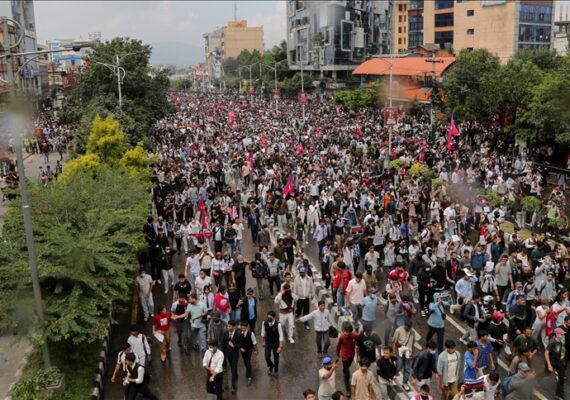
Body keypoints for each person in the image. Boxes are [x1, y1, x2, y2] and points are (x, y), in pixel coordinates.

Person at [336, 322, 360, 396]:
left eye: (349, 332)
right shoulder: (342, 337)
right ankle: (348, 390)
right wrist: (338, 354)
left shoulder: (355, 335)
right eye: (346, 332)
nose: (347, 333)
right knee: (347, 374)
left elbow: (360, 341)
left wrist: (358, 355)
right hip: (344, 357)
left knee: (346, 368)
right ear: (343, 330)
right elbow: (338, 346)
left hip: (351, 356)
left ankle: (345, 370)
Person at [392, 320, 415, 391]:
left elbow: (412, 343)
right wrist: (394, 353)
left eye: (409, 328)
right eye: (407, 327)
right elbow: (394, 342)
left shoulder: (412, 332)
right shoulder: (398, 330)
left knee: (407, 368)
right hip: (400, 352)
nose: (408, 329)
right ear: (404, 325)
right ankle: (392, 375)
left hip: (408, 353)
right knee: (399, 365)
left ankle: (405, 383)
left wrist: (412, 353)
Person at [260, 310, 285, 377]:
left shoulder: (278, 324)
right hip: (268, 342)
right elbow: (263, 332)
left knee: (276, 357)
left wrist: (280, 346)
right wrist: (263, 341)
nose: (268, 319)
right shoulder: (264, 323)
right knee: (267, 357)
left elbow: (281, 335)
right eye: (268, 317)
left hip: (275, 343)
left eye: (270, 318)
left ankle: (276, 370)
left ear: (274, 317)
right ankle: (271, 365)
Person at [545, 327, 567, 400]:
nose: (563, 335)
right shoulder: (552, 342)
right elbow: (546, 353)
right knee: (545, 373)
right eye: (561, 334)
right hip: (553, 362)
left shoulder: (562, 340)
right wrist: (549, 365)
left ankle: (559, 395)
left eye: (563, 334)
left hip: (560, 363)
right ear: (557, 334)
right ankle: (535, 379)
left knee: (561, 379)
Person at [223, 320, 243, 394]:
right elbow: (223, 343)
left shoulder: (238, 334)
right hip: (228, 354)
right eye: (227, 326)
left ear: (234, 327)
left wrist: (234, 346)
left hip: (235, 354)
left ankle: (233, 386)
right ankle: (235, 375)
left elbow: (240, 344)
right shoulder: (225, 333)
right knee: (231, 367)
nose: (228, 327)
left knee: (233, 369)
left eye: (229, 326)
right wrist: (222, 352)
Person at [239, 320, 258, 385]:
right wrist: (240, 348)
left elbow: (254, 343)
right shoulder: (239, 333)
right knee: (245, 362)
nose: (243, 329)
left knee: (247, 362)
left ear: (247, 327)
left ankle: (249, 376)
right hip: (242, 350)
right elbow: (237, 342)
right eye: (242, 328)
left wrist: (256, 350)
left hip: (249, 349)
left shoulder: (251, 334)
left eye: (244, 328)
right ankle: (248, 369)